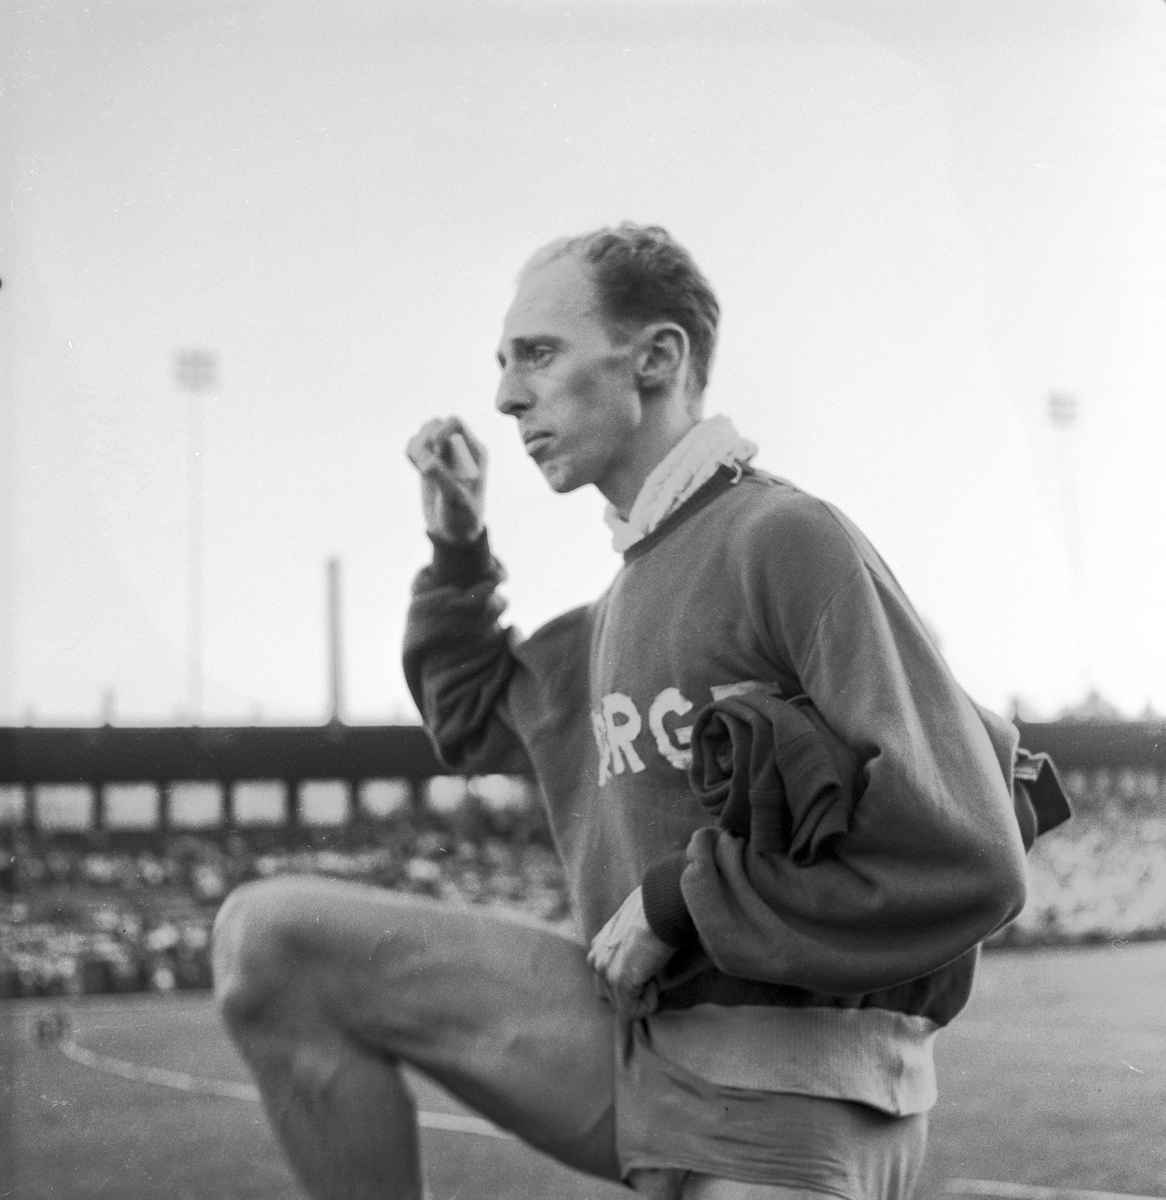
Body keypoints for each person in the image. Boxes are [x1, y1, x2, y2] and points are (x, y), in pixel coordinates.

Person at [214, 224, 1045, 1200]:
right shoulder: (615, 605)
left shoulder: (782, 536)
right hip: (641, 1050)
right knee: (269, 939)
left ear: (655, 357)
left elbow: (970, 856)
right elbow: (470, 716)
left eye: (537, 353)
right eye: (501, 363)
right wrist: (457, 546)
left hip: (795, 1096)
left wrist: (675, 899)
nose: (504, 395)